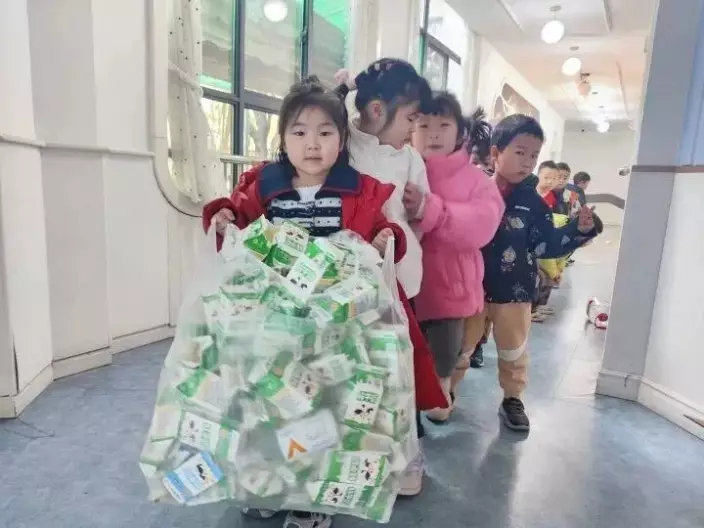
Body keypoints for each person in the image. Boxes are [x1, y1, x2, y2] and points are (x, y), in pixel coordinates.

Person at [201, 76, 430, 528]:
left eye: (325, 132)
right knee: (268, 405)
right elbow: (238, 219)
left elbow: (381, 230)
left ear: (341, 140)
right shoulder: (263, 186)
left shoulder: (359, 189)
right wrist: (223, 215)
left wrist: (388, 237)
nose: (312, 144)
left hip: (334, 328)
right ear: (283, 138)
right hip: (273, 323)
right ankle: (266, 481)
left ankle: (311, 495)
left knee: (322, 408)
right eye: (300, 132)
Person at [334, 59, 446, 496]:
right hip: (352, 279)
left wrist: (420, 206)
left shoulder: (410, 158)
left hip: (400, 276)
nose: (415, 128)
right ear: (378, 110)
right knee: (359, 363)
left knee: (399, 360)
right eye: (411, 118)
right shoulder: (345, 145)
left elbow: (421, 214)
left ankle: (402, 451)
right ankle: (356, 447)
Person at [467, 115, 599, 432]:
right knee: (461, 348)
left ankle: (512, 399)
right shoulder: (474, 191)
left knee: (513, 350)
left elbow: (545, 244)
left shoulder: (533, 203)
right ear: (496, 153)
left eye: (534, 155)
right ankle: (447, 393)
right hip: (470, 288)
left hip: (515, 291)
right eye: (520, 152)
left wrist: (578, 230)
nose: (527, 162)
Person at [408, 92, 505, 423]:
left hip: (448, 288)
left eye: (443, 125)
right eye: (423, 125)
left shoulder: (475, 180)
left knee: (444, 354)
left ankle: (442, 390)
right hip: (404, 285)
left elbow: (483, 224)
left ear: (460, 133)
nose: (433, 134)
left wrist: (431, 210)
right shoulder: (401, 168)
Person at [531, 160, 561, 322]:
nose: (550, 182)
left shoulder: (552, 198)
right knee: (534, 277)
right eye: (547, 177)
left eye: (554, 178)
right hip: (529, 244)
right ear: (538, 175)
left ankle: (537, 306)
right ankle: (530, 309)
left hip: (543, 243)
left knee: (543, 276)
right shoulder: (530, 194)